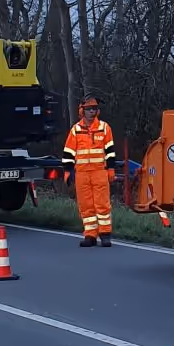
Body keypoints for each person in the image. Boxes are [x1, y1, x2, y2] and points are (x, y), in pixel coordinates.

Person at [63, 95, 116, 247]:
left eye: (94, 109)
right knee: (86, 206)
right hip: (82, 174)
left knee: (102, 204)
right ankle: (90, 235)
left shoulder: (104, 128)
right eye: (89, 109)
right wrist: (68, 171)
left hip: (99, 172)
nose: (92, 111)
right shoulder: (76, 130)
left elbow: (110, 151)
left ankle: (105, 234)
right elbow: (68, 153)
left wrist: (111, 168)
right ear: (82, 111)